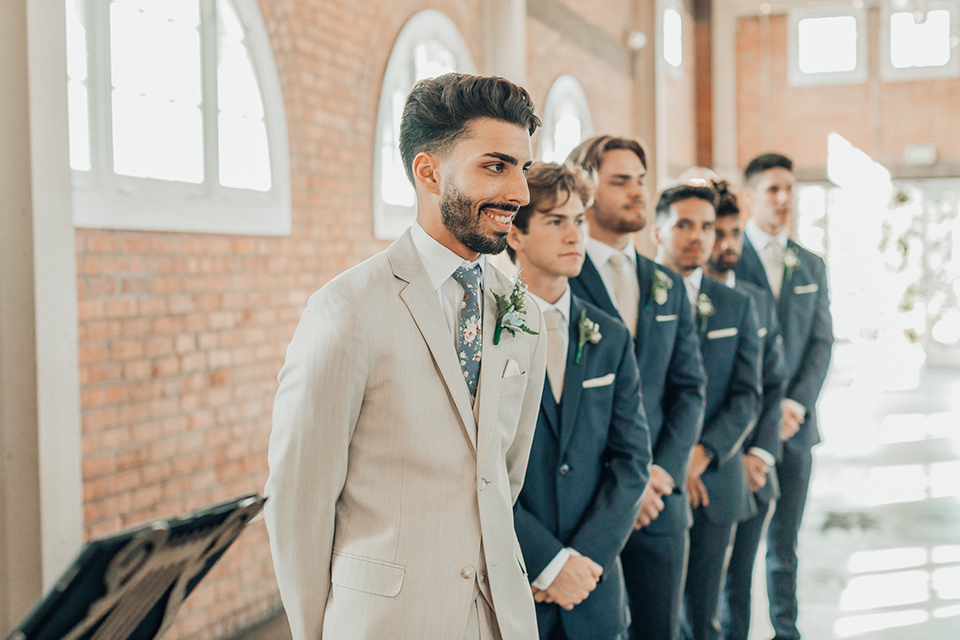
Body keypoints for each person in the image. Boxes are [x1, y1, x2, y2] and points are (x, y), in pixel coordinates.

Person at [264, 73, 548, 640]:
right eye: (496, 165)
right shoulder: (346, 310)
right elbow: (299, 500)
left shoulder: (522, 312)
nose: (520, 192)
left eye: (523, 168)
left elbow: (504, 474)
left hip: (502, 619)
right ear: (429, 171)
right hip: (385, 622)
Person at [567, 136, 706, 640]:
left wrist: (661, 473)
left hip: (659, 505)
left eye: (641, 181)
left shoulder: (665, 283)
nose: (637, 192)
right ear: (586, 189)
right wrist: (624, 485)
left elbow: (689, 389)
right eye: (620, 181)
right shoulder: (561, 276)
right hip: (587, 507)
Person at [507, 162, 652, 640]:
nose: (574, 235)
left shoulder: (608, 335)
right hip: (515, 586)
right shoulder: (483, 335)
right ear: (515, 234)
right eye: (555, 221)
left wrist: (582, 560)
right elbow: (476, 470)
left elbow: (631, 460)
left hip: (594, 588)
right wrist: (547, 562)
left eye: (579, 221)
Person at [652, 183, 762, 640]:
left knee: (704, 616)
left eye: (707, 227)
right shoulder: (636, 298)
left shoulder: (737, 305)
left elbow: (746, 395)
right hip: (653, 483)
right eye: (683, 224)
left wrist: (704, 453)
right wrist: (673, 462)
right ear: (658, 230)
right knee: (651, 616)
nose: (698, 236)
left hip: (715, 479)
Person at [735, 153, 834, 640]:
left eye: (789, 189)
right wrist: (763, 414)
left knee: (784, 543)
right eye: (773, 189)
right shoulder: (727, 260)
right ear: (750, 196)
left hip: (795, 430)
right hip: (741, 431)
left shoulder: (811, 263)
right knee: (734, 548)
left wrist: (794, 406)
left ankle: (786, 631)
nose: (783, 199)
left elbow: (821, 342)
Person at [704, 181, 787, 640]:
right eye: (719, 232)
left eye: (734, 232)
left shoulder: (756, 301)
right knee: (699, 593)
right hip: (706, 469)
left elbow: (772, 384)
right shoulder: (677, 297)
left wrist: (760, 454)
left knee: (739, 588)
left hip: (756, 470)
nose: (728, 244)